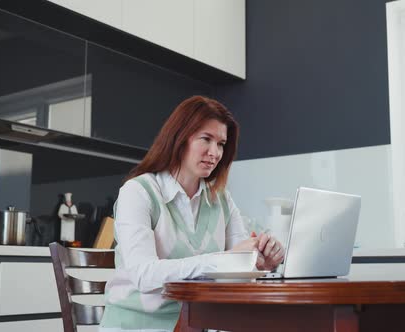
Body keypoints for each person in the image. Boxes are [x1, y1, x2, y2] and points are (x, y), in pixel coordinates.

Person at [100, 96, 284, 332]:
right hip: (138, 326)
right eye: (206, 139)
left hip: (199, 324)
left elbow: (239, 269)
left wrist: (260, 262)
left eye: (221, 144)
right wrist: (222, 260)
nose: (215, 152)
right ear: (179, 139)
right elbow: (144, 275)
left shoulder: (222, 199)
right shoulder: (138, 192)